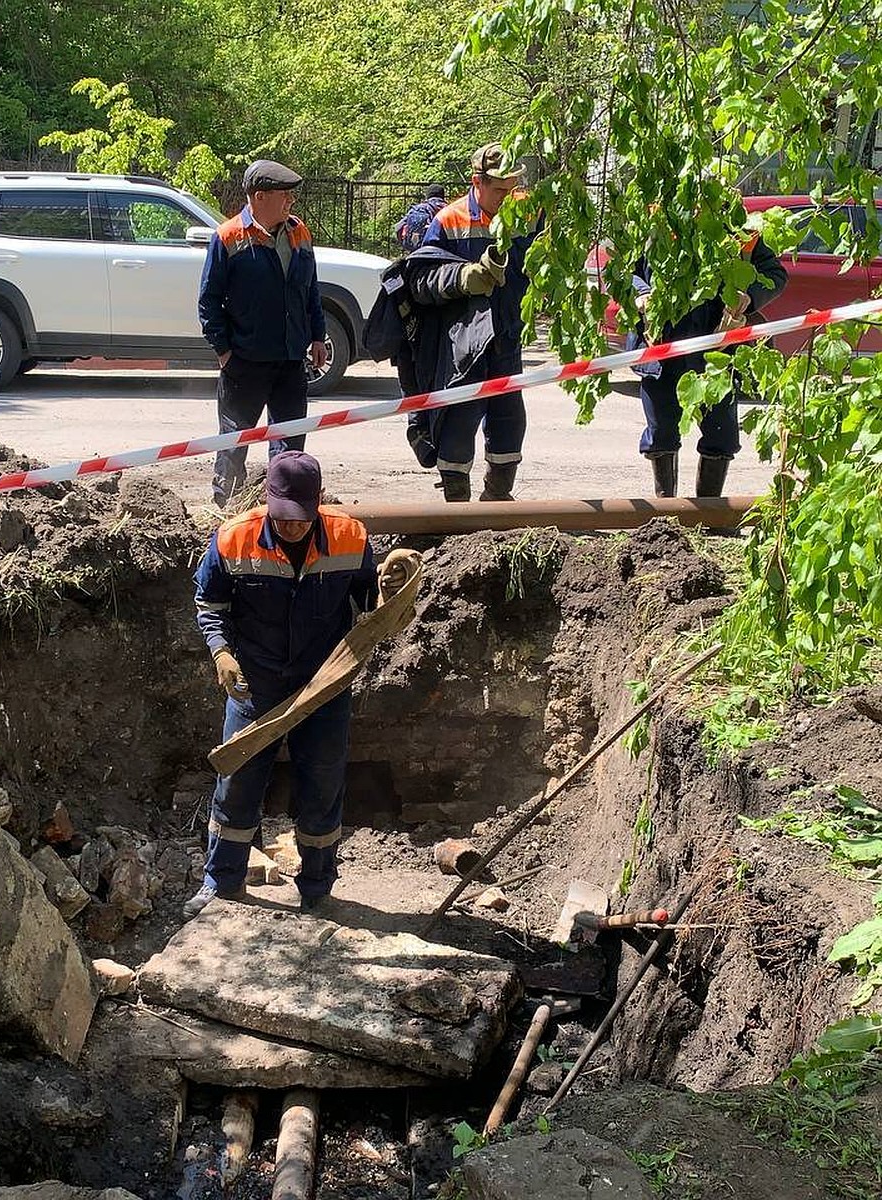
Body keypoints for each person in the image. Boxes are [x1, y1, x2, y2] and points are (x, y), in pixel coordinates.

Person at [185, 450, 386, 920]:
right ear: (267, 499)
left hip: (324, 684)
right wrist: (222, 652)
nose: (291, 526)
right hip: (256, 681)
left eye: (301, 517)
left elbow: (370, 603)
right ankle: (222, 880)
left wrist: (390, 587)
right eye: (282, 517)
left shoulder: (349, 537)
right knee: (238, 780)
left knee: (322, 781)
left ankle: (316, 887)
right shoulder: (234, 540)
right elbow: (209, 604)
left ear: (318, 501)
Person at [403, 144, 540, 503]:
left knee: (509, 422)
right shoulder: (449, 220)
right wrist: (464, 278)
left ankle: (497, 504)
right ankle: (458, 513)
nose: (508, 198)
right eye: (500, 191)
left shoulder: (526, 215)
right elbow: (421, 280)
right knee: (458, 424)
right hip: (461, 345)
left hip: (507, 337)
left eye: (513, 189)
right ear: (476, 182)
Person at [197, 160, 327, 508]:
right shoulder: (228, 237)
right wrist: (224, 351)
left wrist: (317, 335)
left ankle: (283, 510)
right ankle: (225, 512)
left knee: (289, 447)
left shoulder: (299, 233)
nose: (291, 202)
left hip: (290, 361)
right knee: (234, 443)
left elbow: (310, 289)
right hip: (245, 362)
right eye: (285, 195)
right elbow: (208, 300)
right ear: (260, 196)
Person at [633, 232, 788, 497]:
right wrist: (642, 293)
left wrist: (748, 297)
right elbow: (624, 270)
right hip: (662, 351)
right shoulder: (654, 219)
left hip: (717, 354)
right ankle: (666, 515)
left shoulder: (736, 227)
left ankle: (710, 514)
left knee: (722, 436)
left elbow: (774, 274)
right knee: (661, 433)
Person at [395, 185, 446, 252]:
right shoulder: (450, 209)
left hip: (418, 251)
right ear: (442, 196)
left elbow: (398, 228)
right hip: (443, 251)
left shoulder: (418, 209)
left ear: (427, 196)